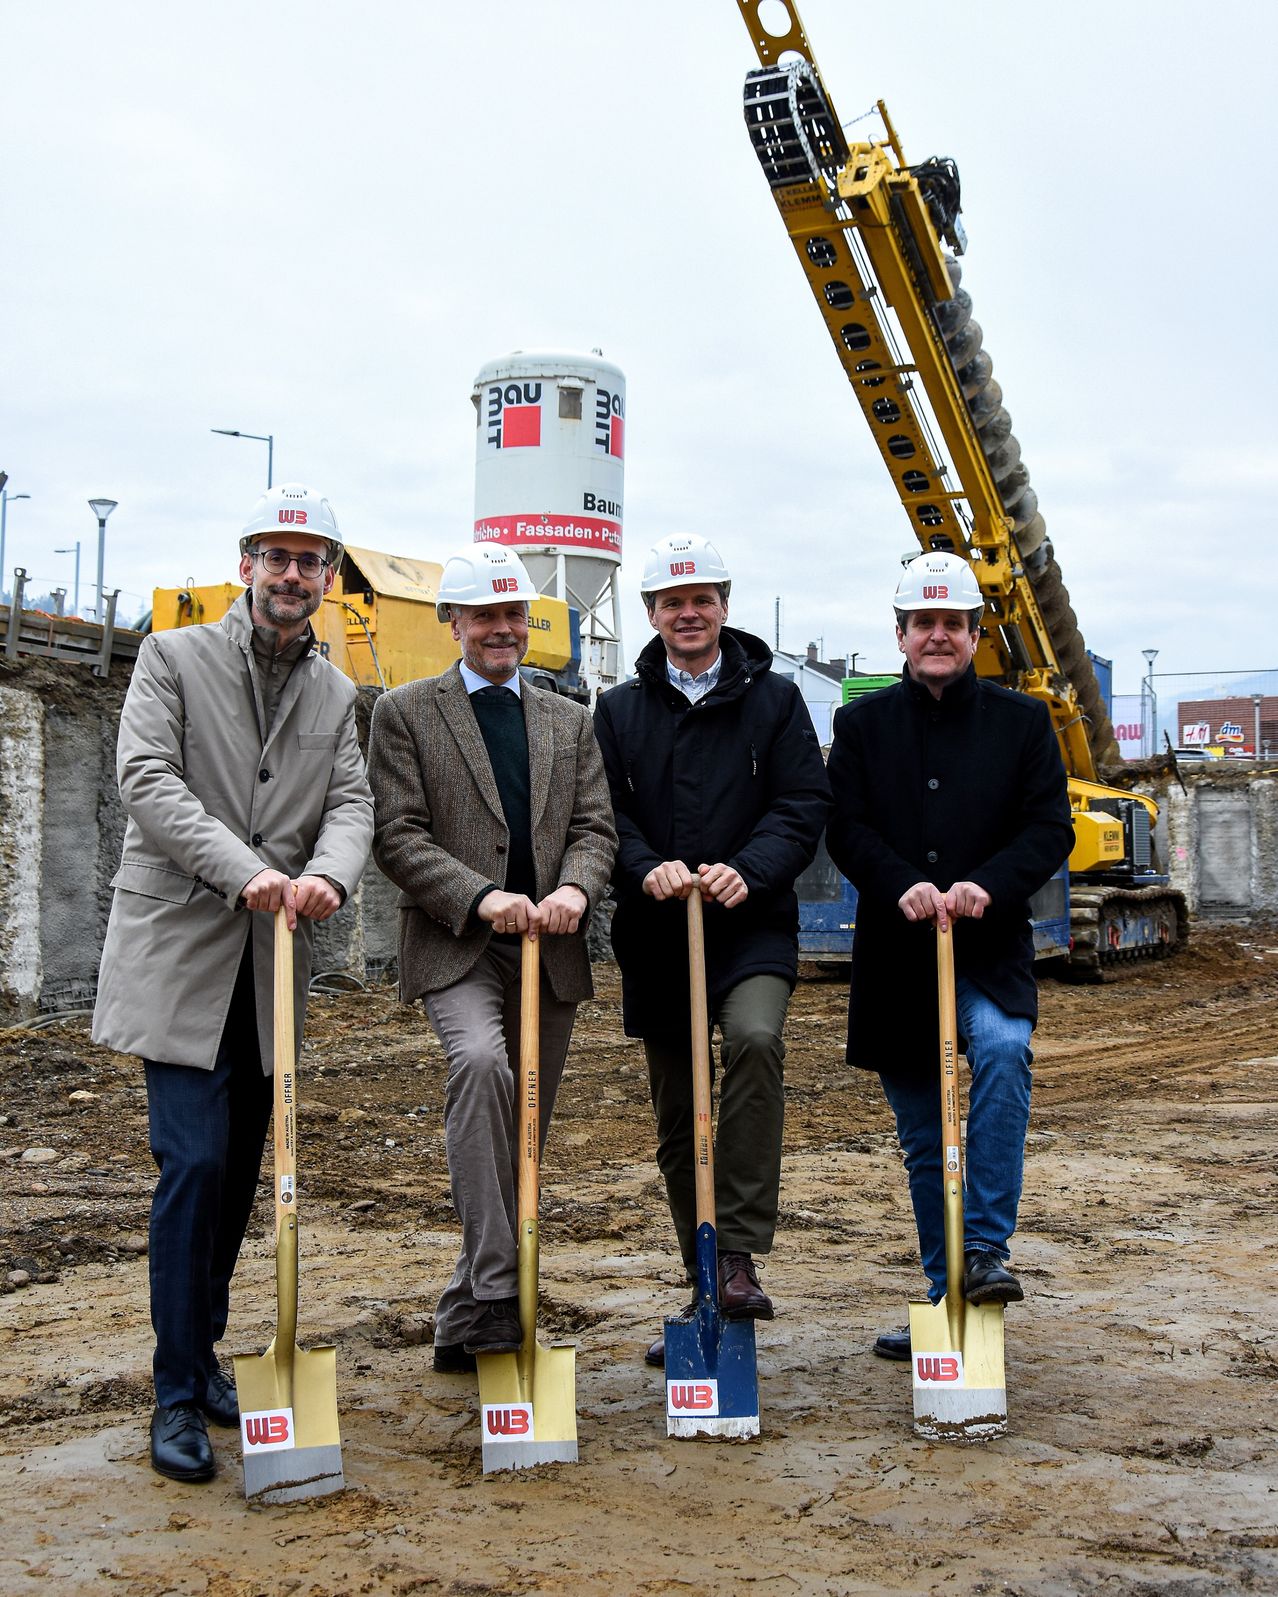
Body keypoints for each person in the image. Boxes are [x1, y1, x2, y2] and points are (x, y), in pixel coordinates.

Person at [93, 483, 374, 1480]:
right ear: (245, 563)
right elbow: (147, 778)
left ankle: (204, 1351)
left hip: (269, 969)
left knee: (243, 1171)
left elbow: (350, 801)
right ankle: (174, 1391)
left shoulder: (335, 693)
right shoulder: (172, 658)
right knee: (195, 1163)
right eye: (277, 556)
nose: (293, 574)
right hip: (179, 955)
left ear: (328, 577)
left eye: (311, 560)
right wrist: (245, 869)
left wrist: (329, 874)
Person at [366, 544, 616, 1374]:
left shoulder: (568, 720)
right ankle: (504, 1291)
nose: (502, 629)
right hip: (457, 943)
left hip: (550, 951)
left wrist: (575, 888)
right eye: (485, 616)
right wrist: (479, 895)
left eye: (514, 614)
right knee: (481, 1064)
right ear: (455, 623)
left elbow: (595, 828)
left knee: (521, 1131)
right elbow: (397, 833)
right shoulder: (405, 712)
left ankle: (464, 1310)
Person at [825, 551, 1073, 1359]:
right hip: (899, 960)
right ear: (900, 633)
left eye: (953, 624)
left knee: (1002, 1047)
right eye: (923, 622)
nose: (938, 635)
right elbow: (845, 826)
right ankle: (948, 1299)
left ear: (975, 634)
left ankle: (987, 1248)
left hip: (988, 949)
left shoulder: (1022, 722)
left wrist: (986, 887)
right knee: (928, 1138)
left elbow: (1051, 828)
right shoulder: (862, 726)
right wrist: (898, 882)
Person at [592, 533, 831, 1366]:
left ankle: (737, 1253)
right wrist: (643, 866)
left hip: (749, 924)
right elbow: (603, 815)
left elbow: (802, 802)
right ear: (651, 613)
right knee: (678, 1113)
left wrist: (750, 869)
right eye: (672, 603)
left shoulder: (776, 700)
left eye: (702, 600)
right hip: (660, 933)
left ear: (724, 606)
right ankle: (702, 1275)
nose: (688, 614)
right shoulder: (619, 710)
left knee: (757, 1040)